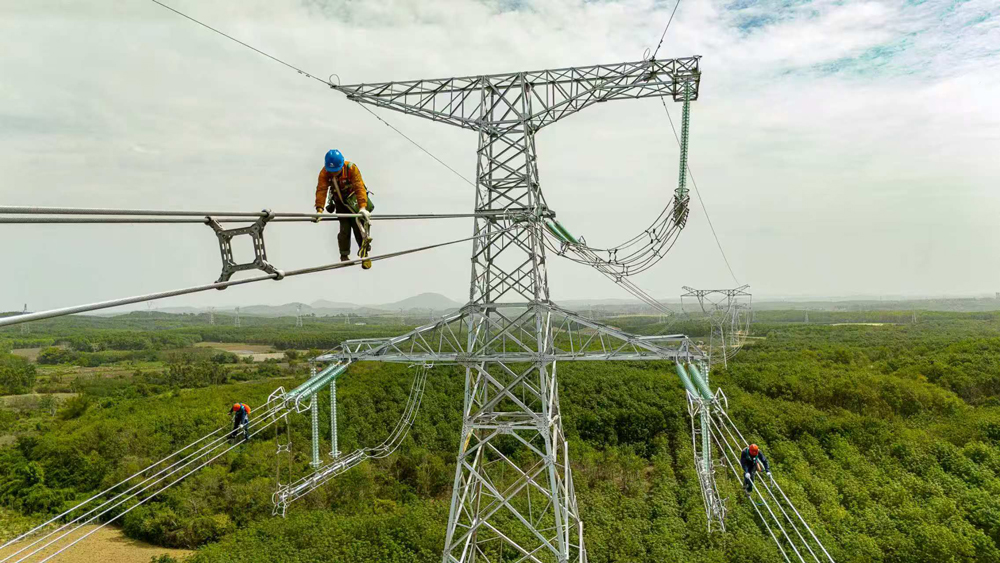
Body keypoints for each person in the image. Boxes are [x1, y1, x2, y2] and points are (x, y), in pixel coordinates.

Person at [313, 149, 373, 269]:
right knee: (344, 230)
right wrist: (319, 209)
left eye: (336, 171)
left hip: (354, 201)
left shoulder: (351, 169)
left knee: (358, 227)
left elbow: (359, 187)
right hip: (340, 202)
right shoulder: (325, 173)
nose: (334, 174)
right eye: (332, 171)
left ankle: (365, 255)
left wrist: (362, 207)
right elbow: (321, 189)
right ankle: (344, 256)